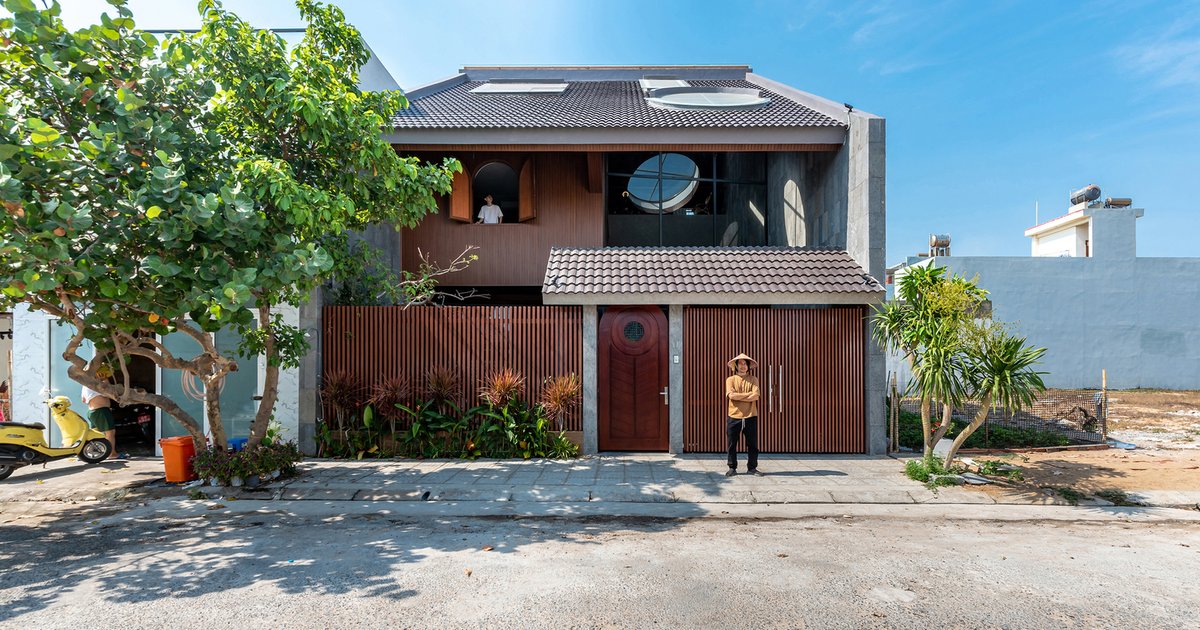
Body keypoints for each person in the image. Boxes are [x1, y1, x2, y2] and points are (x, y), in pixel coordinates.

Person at [725, 352, 763, 477]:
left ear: (748, 366)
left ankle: (752, 468)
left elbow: (755, 396)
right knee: (732, 444)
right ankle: (732, 468)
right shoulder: (730, 380)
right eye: (740, 363)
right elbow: (731, 396)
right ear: (736, 366)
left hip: (750, 415)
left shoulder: (753, 379)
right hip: (733, 416)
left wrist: (739, 396)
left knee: (752, 444)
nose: (743, 366)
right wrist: (747, 396)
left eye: (745, 363)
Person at [81, 366, 121, 460]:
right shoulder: (97, 383)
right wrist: (105, 379)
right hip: (101, 410)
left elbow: (83, 400)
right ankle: (111, 454)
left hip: (91, 411)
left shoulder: (85, 384)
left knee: (96, 434)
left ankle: (98, 454)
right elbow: (109, 392)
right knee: (110, 432)